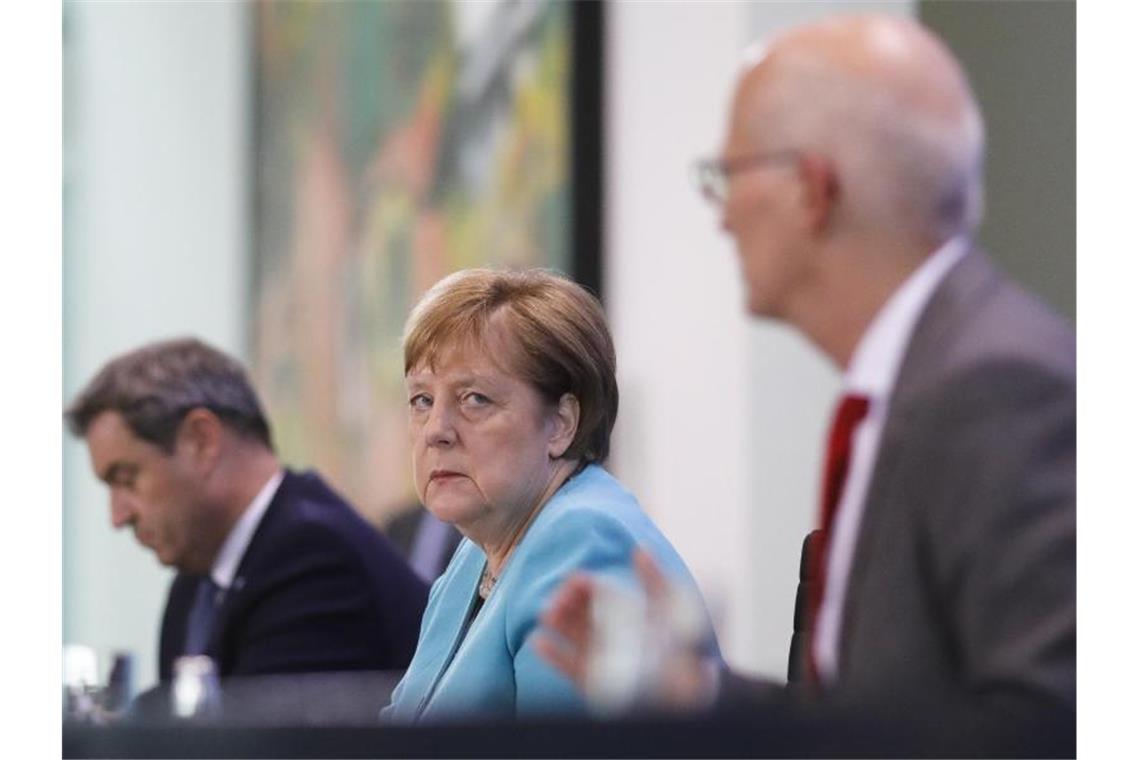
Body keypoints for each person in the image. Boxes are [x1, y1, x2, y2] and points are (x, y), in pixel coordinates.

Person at [536, 12, 1075, 735]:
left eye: (727, 176)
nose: (721, 218)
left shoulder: (1000, 390)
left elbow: (1051, 728)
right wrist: (693, 693)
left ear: (813, 190)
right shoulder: (909, 390)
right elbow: (870, 721)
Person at [381, 268, 719, 722]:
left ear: (561, 423)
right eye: (422, 400)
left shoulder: (584, 540)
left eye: (474, 399)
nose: (437, 430)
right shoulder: (477, 552)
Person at [65, 338, 429, 681]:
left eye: (127, 479)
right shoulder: (196, 584)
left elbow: (263, 745)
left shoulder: (314, 557)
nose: (118, 516)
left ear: (201, 440)